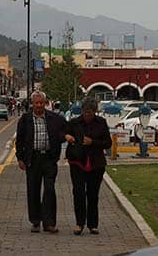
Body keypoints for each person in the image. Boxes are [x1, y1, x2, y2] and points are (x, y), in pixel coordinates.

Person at [16, 90, 66, 233]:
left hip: (49, 158)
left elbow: (64, 130)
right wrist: (20, 158)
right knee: (33, 190)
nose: (39, 105)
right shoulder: (25, 120)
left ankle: (49, 222)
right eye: (36, 103)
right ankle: (36, 221)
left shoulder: (54, 118)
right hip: (32, 159)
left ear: (45, 103)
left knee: (49, 189)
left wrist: (65, 137)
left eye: (41, 103)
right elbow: (19, 141)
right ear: (32, 104)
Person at [64, 97, 112, 235]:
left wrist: (92, 142)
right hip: (78, 163)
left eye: (90, 112)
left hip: (96, 164)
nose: (87, 115)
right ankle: (79, 223)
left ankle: (93, 224)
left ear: (95, 112)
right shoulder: (74, 123)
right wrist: (67, 136)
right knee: (78, 192)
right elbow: (63, 133)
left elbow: (108, 143)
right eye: (85, 112)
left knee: (92, 194)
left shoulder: (101, 123)